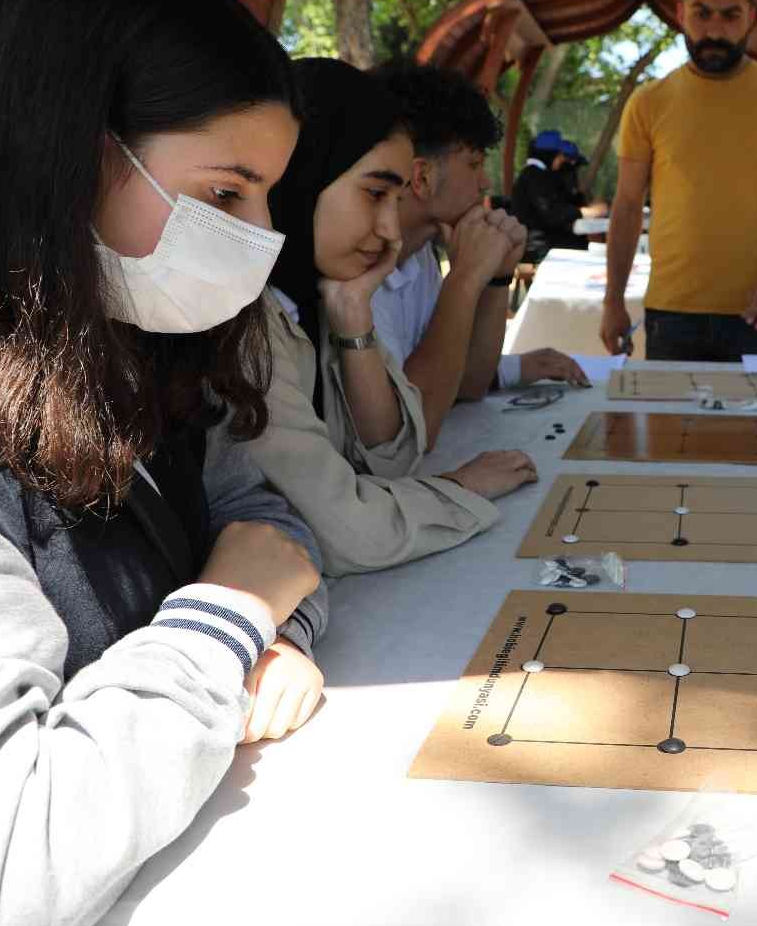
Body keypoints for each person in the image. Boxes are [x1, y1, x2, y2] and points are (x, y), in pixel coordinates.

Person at [0, 0, 327, 926]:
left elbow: (261, 523)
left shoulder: (125, 333)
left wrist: (267, 631)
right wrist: (228, 620)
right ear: (76, 151)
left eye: (268, 196)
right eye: (224, 193)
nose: (261, 233)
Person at [249, 57, 537, 577]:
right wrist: (456, 489)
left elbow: (393, 456)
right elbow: (344, 532)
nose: (389, 229)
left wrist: (354, 320)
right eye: (375, 194)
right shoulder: (245, 325)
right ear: (308, 173)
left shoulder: (324, 296)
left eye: (394, 198)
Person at [600, 0, 757, 362]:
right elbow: (628, 205)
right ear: (681, 13)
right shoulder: (648, 102)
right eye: (702, 14)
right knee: (670, 428)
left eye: (730, 15)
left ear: (751, 17)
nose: (715, 30)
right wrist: (612, 301)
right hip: (670, 313)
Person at [369, 60, 587, 450]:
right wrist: (466, 279)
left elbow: (467, 383)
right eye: (473, 164)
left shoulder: (419, 255)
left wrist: (498, 277)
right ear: (421, 178)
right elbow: (413, 431)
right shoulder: (359, 268)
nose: (485, 181)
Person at [508, 128, 606, 263]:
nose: (561, 160)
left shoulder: (534, 175)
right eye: (559, 155)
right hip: (539, 249)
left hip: (545, 245)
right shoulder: (535, 177)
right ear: (549, 155)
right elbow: (553, 213)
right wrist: (587, 212)